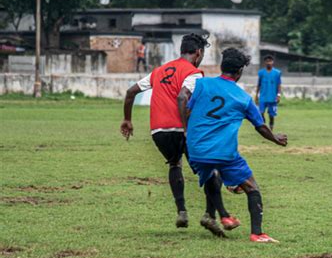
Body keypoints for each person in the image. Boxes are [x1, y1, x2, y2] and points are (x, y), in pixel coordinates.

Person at [120, 33, 232, 235]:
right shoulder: (193, 73)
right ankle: (210, 215)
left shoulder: (159, 71)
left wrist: (127, 119)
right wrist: (187, 128)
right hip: (183, 129)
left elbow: (130, 92)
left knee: (174, 163)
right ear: (198, 53)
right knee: (212, 169)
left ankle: (182, 211)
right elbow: (182, 97)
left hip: (159, 131)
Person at [183, 48, 288, 243]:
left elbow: (187, 109)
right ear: (239, 72)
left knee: (211, 176)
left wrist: (188, 132)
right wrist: (276, 139)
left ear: (222, 67)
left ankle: (223, 215)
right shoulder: (243, 98)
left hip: (195, 149)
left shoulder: (202, 84)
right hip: (223, 152)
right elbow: (261, 127)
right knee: (252, 188)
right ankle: (257, 233)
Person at [255, 55, 282, 130]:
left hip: (273, 97)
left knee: (271, 115)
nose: (268, 62)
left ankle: (271, 127)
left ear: (273, 62)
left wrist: (279, 95)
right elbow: (259, 84)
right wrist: (256, 95)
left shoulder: (277, 73)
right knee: (261, 113)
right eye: (267, 61)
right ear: (265, 62)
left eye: (270, 61)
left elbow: (279, 85)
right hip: (263, 97)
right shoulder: (261, 73)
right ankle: (264, 127)